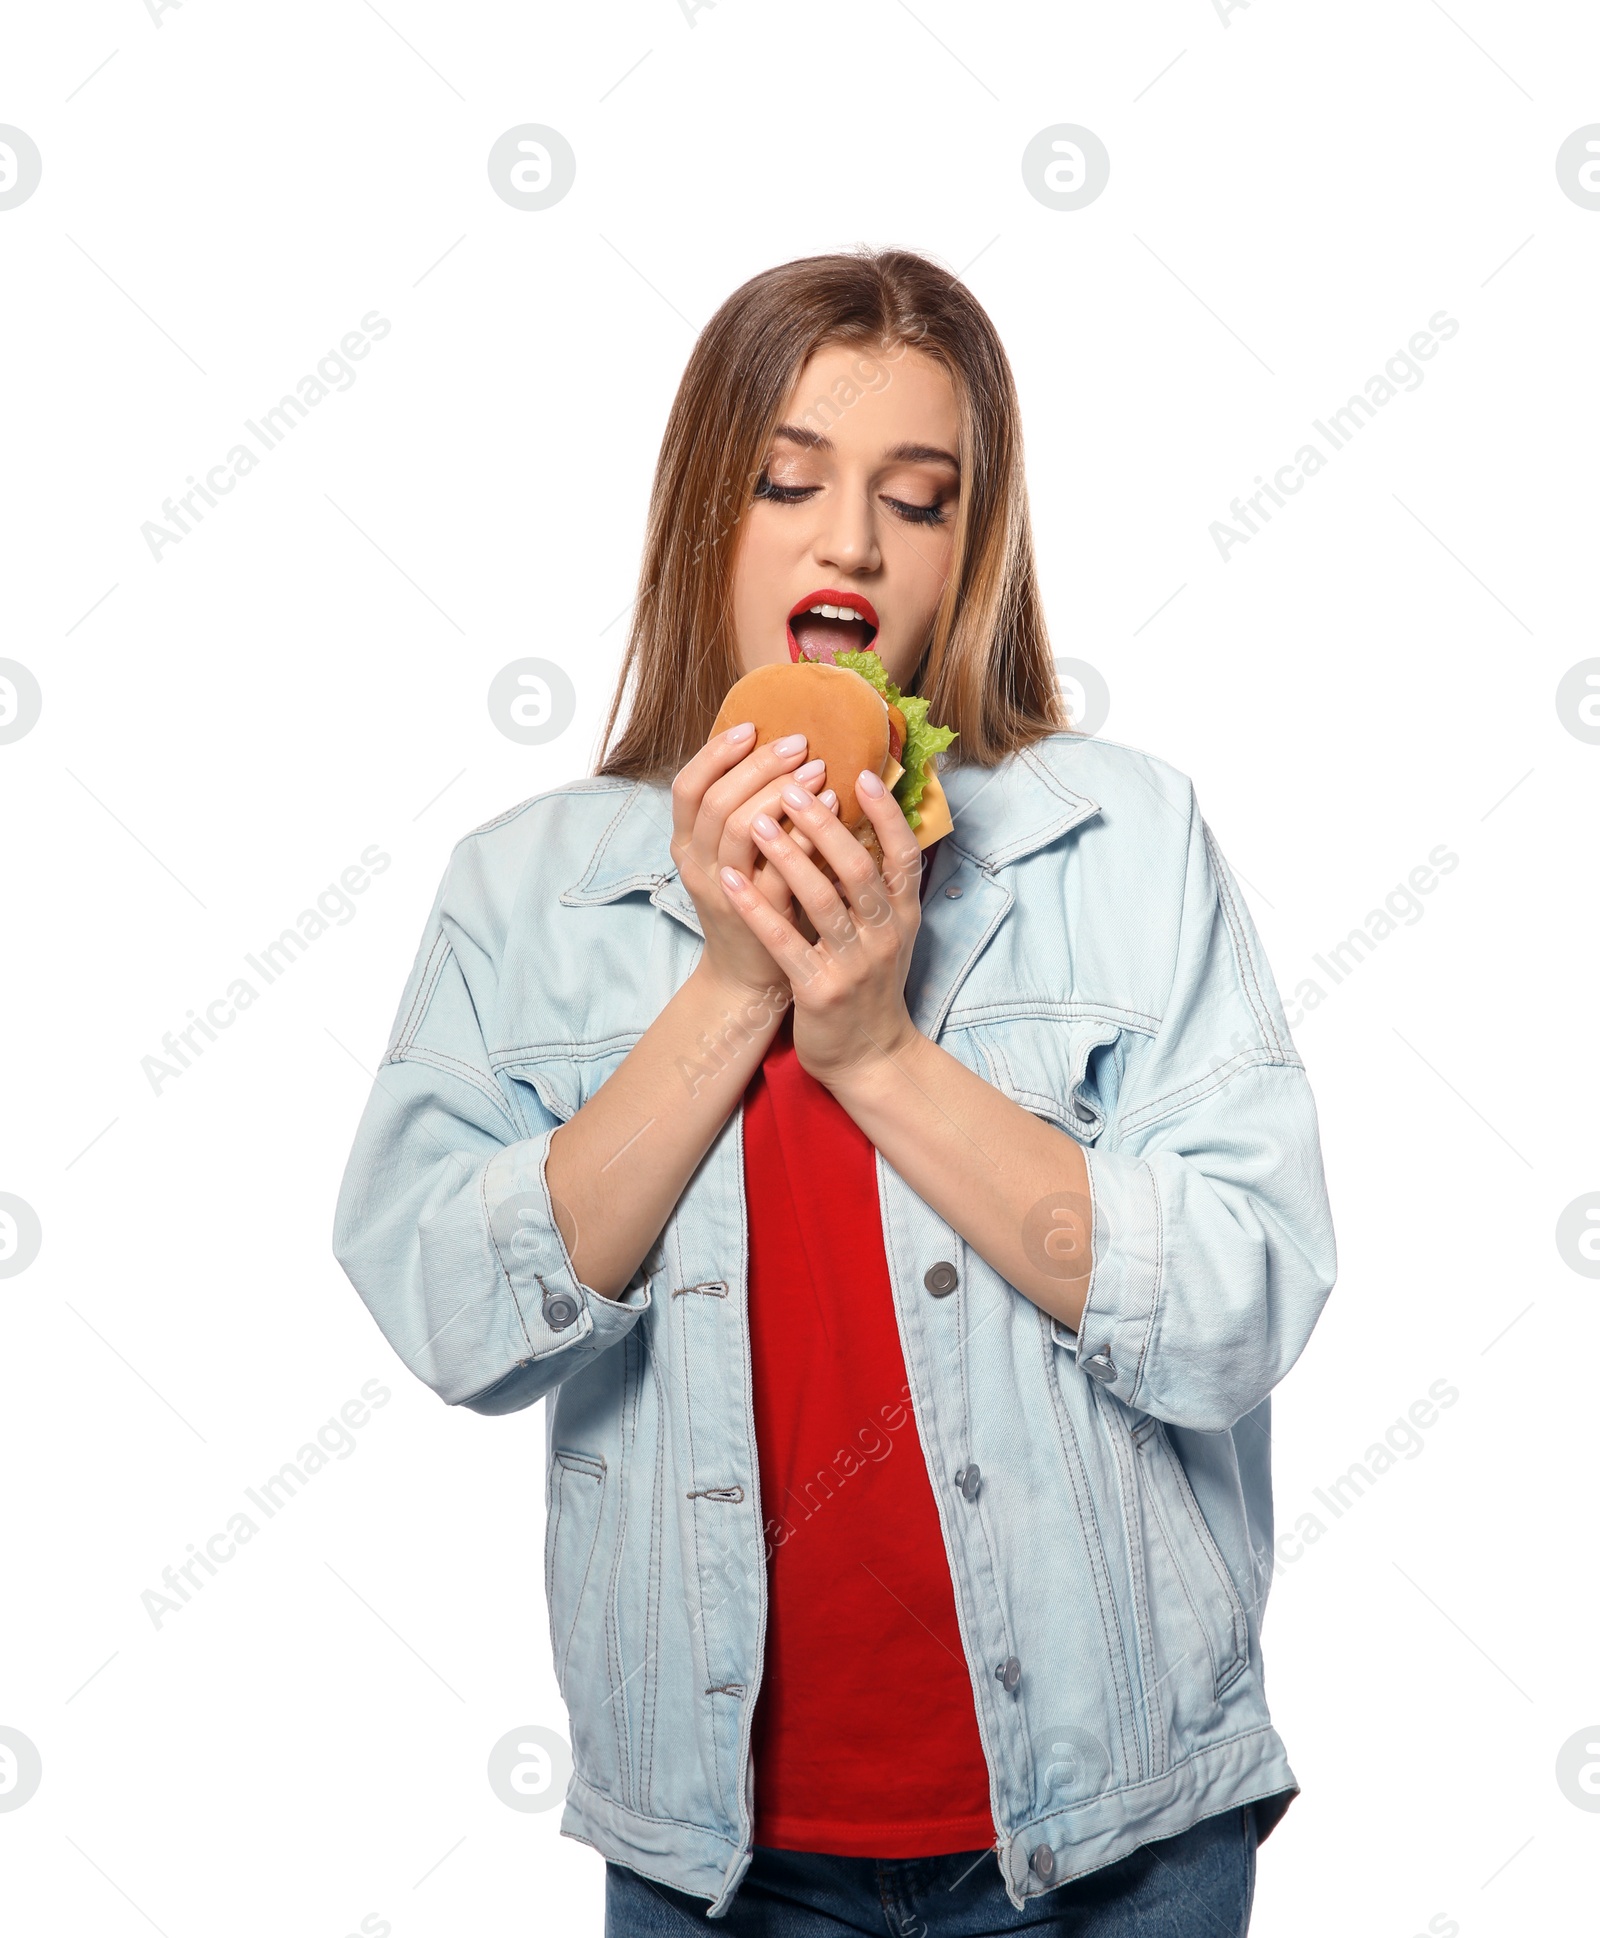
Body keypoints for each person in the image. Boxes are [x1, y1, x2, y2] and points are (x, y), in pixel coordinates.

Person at [332, 248, 1337, 1936]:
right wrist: (735, 985)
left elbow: (1245, 1301)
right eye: (788, 481)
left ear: (970, 553)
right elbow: (448, 1314)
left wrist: (872, 1044)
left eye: (918, 500)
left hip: (1122, 1848)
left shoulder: (1128, 838)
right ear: (703, 519)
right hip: (717, 1867)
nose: (851, 541)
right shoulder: (523, 893)